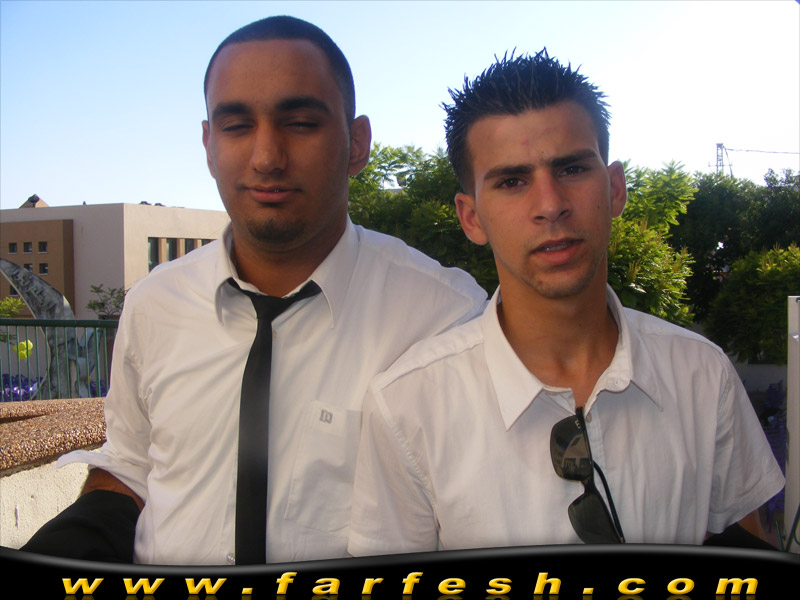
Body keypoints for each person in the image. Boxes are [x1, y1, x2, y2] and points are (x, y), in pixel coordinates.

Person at [21, 16, 486, 565]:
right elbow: (132, 463)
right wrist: (77, 539)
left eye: (300, 122)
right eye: (237, 125)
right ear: (208, 145)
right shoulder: (153, 304)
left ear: (357, 143)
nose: (266, 157)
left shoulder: (446, 318)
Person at [347, 50, 785, 555]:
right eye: (512, 182)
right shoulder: (408, 407)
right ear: (471, 218)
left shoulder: (701, 375)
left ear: (615, 188)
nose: (550, 205)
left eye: (572, 168)